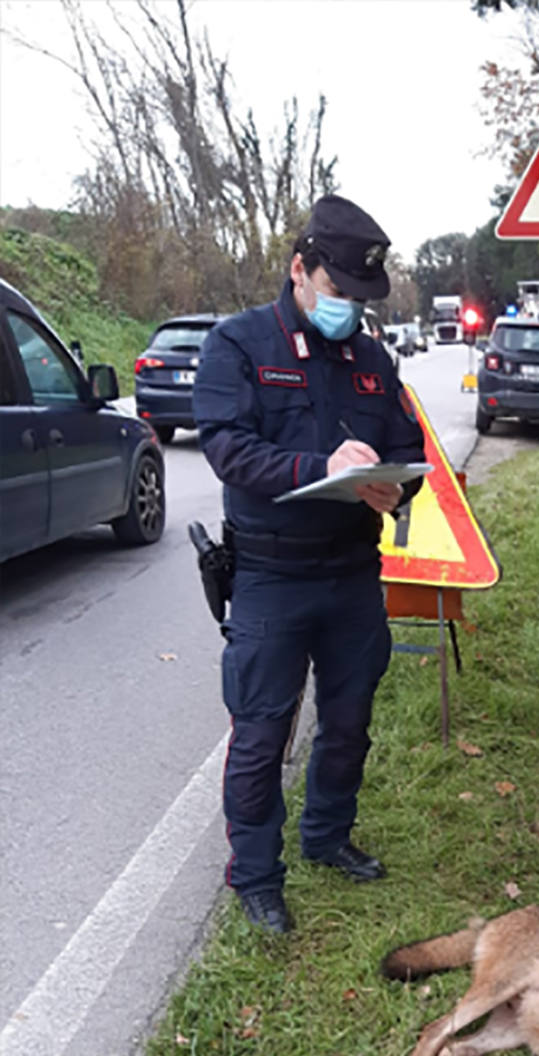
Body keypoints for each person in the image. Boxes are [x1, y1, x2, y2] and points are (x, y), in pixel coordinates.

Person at [193, 194, 427, 935]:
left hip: (353, 572)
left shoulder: (369, 356)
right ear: (300, 269)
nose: (350, 311)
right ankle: (257, 877)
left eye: (361, 300)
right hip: (271, 577)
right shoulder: (238, 346)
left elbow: (409, 440)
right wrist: (316, 466)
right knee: (262, 733)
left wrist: (400, 483)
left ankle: (327, 836)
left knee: (350, 720)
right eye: (338, 293)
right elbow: (227, 446)